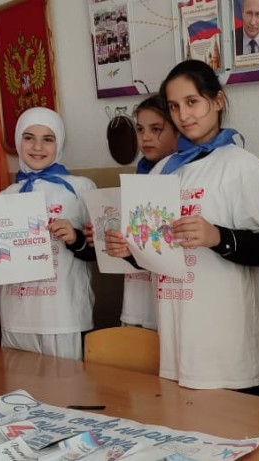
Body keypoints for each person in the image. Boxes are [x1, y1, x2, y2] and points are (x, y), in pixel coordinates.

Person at [105, 60, 259, 397]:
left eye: (192, 102)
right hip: (179, 338)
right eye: (174, 106)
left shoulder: (240, 165)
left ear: (217, 101)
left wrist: (217, 236)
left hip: (231, 344)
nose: (184, 115)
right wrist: (130, 251)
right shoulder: (162, 171)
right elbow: (157, 254)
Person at [0, 108, 97, 361]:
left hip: (64, 316)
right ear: (18, 141)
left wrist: (75, 239)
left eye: (48, 139)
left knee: (67, 385)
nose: (37, 147)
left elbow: (99, 252)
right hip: (16, 318)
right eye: (29, 138)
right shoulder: (5, 196)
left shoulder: (81, 188)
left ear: (59, 143)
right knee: (21, 385)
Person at [114, 94, 180, 330]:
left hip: (170, 293)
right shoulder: (139, 175)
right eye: (140, 129)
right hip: (137, 288)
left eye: (156, 129)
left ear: (178, 131)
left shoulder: (185, 176)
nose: (146, 137)